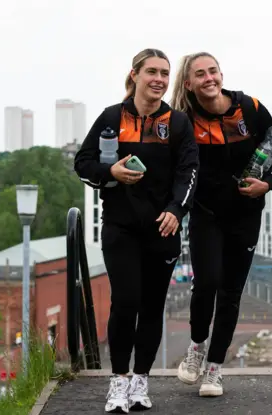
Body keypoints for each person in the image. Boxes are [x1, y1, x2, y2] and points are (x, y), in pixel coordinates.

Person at [74, 48, 199, 413]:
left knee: (152, 306)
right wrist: (109, 173)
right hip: (120, 228)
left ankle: (141, 382)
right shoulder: (112, 118)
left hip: (163, 230)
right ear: (135, 75)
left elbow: (189, 172)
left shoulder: (176, 123)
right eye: (152, 72)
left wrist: (176, 210)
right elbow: (82, 163)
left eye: (164, 73)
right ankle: (118, 382)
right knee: (125, 301)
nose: (159, 79)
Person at [170, 51, 272, 397]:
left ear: (221, 74)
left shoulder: (249, 108)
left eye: (213, 71)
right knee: (207, 283)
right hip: (206, 214)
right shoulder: (183, 119)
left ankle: (215, 370)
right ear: (188, 83)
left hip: (246, 215)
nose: (209, 78)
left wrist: (269, 184)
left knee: (231, 293)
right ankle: (196, 348)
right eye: (200, 74)